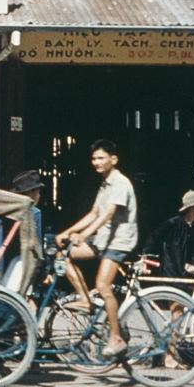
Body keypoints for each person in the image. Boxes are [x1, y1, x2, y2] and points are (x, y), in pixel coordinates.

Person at [55, 139, 137, 359]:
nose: (96, 162)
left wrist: (83, 235)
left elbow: (108, 214)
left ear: (114, 159)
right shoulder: (105, 183)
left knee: (102, 285)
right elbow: (93, 213)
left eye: (101, 158)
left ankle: (116, 338)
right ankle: (85, 300)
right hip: (103, 240)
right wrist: (67, 232)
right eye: (94, 158)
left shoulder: (120, 183)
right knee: (64, 256)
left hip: (118, 241)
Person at [0, 170, 45, 288]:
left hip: (1, 264)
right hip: (22, 265)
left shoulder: (4, 210)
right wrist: (42, 273)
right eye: (38, 191)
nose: (39, 195)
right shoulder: (35, 213)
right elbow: (37, 246)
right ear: (31, 193)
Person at [144, 190, 194, 292]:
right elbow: (154, 238)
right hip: (172, 271)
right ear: (193, 208)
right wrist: (145, 256)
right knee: (176, 303)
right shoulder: (173, 223)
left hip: (187, 272)